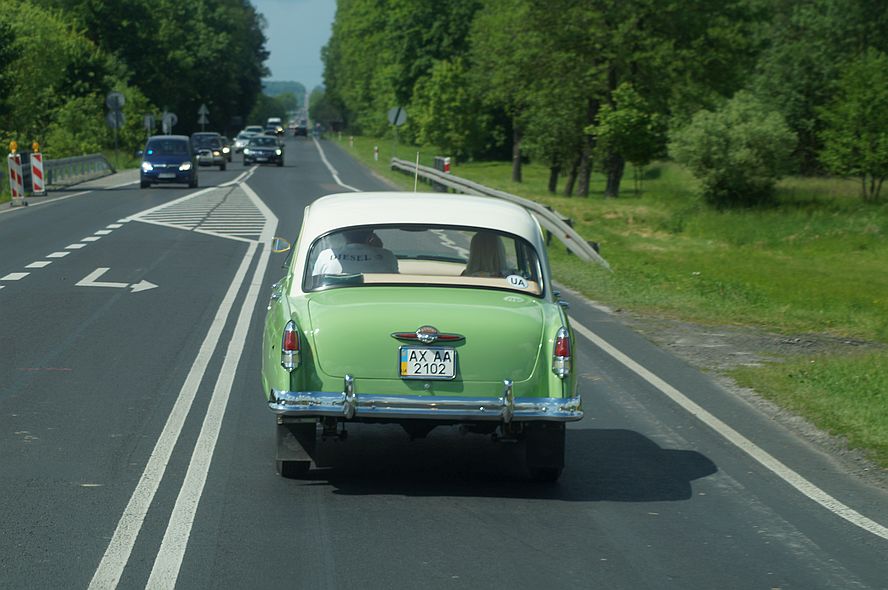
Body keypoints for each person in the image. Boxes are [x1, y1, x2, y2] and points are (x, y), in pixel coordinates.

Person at [312, 228, 399, 275]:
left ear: (343, 233)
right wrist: (379, 251)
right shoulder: (388, 256)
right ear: (371, 233)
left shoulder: (326, 256)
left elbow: (314, 281)